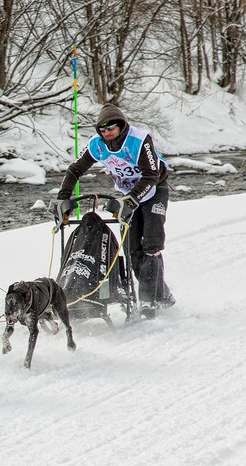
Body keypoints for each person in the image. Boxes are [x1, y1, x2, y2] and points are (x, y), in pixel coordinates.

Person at [56, 103, 175, 318]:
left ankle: (149, 301)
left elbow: (152, 175)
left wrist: (131, 201)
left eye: (110, 128)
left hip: (154, 190)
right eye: (102, 129)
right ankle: (163, 296)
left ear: (120, 126)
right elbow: (74, 170)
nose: (106, 133)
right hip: (129, 194)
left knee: (151, 244)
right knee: (130, 249)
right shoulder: (97, 145)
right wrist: (63, 199)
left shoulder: (139, 140)